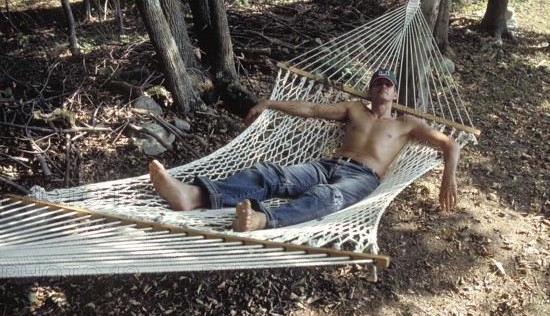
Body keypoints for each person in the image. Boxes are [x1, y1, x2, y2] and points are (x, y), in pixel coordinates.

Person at [149, 69, 460, 232]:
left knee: (327, 197)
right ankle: (194, 196)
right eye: (378, 83)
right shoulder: (354, 108)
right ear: (370, 89)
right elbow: (312, 109)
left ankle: (262, 220)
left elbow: (450, 143)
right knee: (270, 173)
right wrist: (270, 103)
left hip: (363, 177)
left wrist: (449, 176)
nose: (383, 87)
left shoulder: (407, 123)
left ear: (396, 92)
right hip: (328, 164)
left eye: (388, 84)